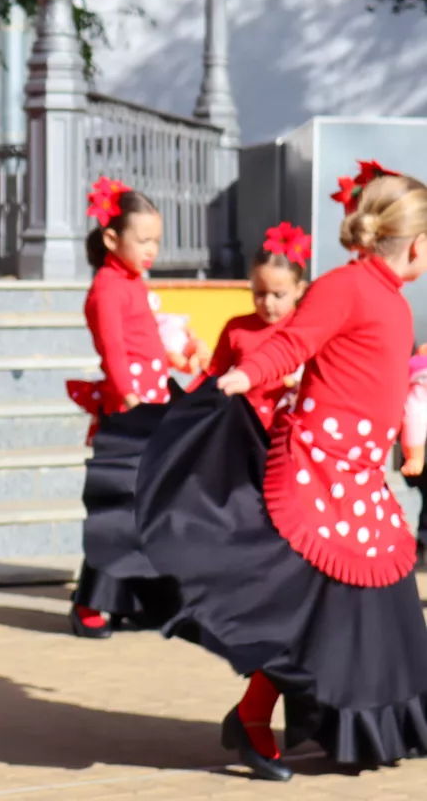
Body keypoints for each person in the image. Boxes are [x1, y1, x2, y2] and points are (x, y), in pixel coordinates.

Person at [137, 165, 427, 779]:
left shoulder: (391, 299)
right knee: (306, 606)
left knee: (380, 608)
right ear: (419, 244)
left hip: (358, 477)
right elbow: (290, 342)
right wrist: (244, 376)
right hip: (316, 474)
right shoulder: (345, 287)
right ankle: (251, 716)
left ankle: (352, 724)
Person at [64, 179, 175, 639]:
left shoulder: (130, 280)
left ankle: (140, 597)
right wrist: (129, 398)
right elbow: (112, 349)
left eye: (156, 241)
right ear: (112, 238)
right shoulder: (107, 286)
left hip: (154, 403)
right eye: (143, 240)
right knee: (120, 508)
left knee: (149, 506)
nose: (151, 250)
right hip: (129, 411)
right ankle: (92, 599)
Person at [196, 222, 310, 431]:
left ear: (299, 289)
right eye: (259, 293)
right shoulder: (237, 329)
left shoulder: (306, 330)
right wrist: (185, 401)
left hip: (289, 432)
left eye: (278, 295)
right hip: (242, 430)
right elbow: (212, 374)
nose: (267, 303)